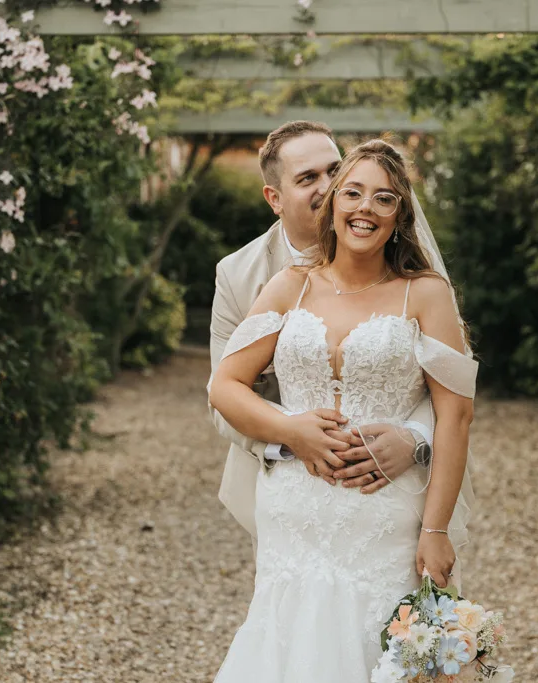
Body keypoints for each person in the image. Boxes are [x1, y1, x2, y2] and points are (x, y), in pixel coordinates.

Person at [209, 139, 478, 681]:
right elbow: (225, 385)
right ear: (333, 203)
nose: (365, 209)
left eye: (383, 199)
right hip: (293, 512)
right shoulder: (290, 286)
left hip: (382, 514)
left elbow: (455, 415)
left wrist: (436, 530)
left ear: (400, 213)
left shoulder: (425, 294)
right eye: (352, 193)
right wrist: (290, 431)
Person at [208, 122, 437, 544]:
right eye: (308, 177)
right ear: (274, 198)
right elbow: (221, 393)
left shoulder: (414, 277)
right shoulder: (239, 276)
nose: (329, 186)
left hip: (393, 490)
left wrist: (416, 439)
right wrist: (292, 436)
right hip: (289, 491)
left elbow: (448, 385)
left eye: (335, 170)